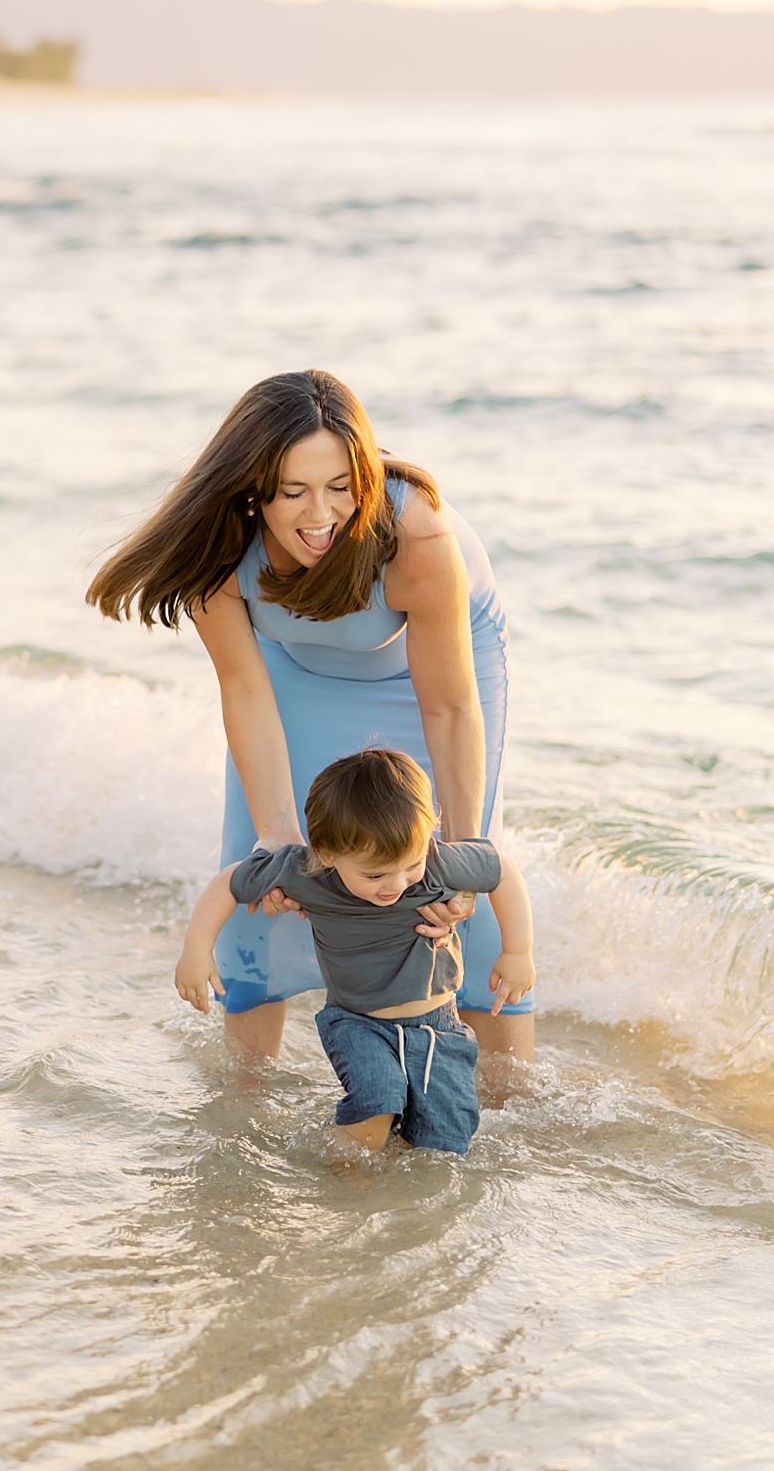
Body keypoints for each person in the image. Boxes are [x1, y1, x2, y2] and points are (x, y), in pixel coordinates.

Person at [87, 368, 534, 1061]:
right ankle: (242, 1099)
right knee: (262, 871)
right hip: (291, 669)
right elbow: (244, 689)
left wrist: (457, 859)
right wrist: (275, 836)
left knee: (447, 879)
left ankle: (510, 1095)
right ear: (252, 490)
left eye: (340, 487)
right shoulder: (218, 547)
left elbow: (447, 707)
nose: (320, 515)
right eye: (293, 493)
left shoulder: (417, 536)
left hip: (437, 671)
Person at [177, 748, 535, 1155]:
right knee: (376, 1102)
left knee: (445, 1141)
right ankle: (347, 1182)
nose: (396, 883)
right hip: (357, 1022)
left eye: (410, 865)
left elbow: (502, 871)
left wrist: (518, 950)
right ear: (327, 854)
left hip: (439, 1027)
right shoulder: (305, 871)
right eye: (375, 874)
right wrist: (196, 949)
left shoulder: (437, 860)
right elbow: (229, 882)